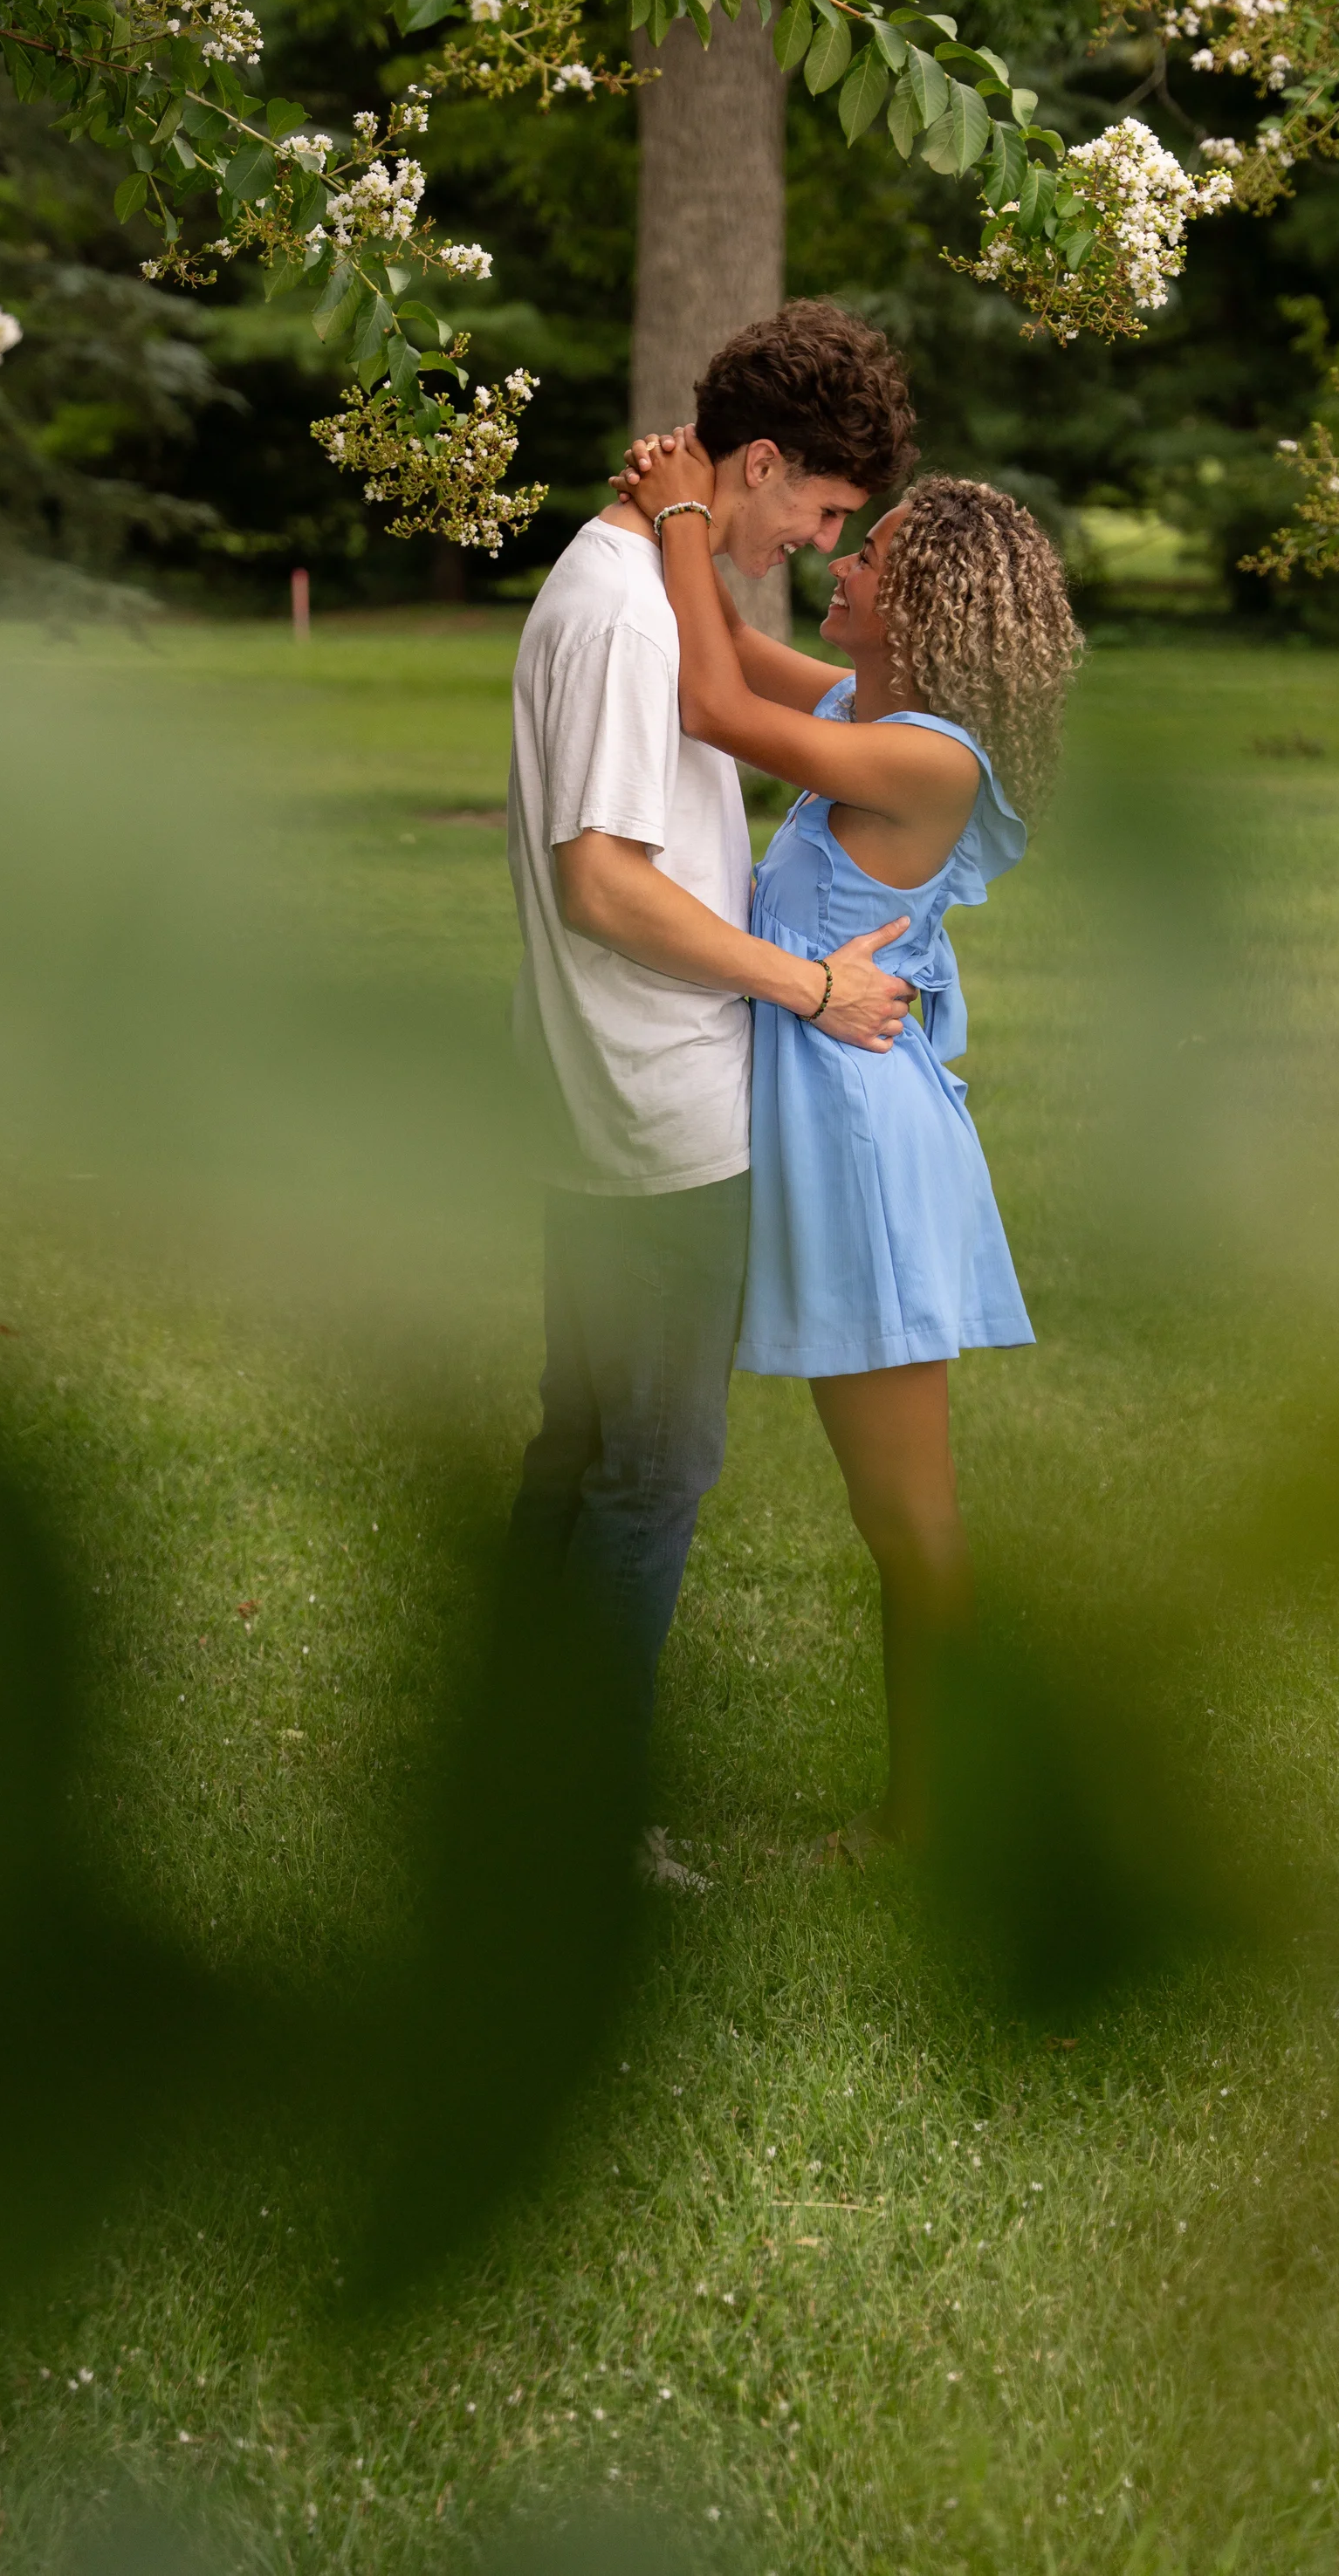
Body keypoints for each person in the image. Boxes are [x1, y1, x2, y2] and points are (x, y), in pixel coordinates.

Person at [504, 300, 920, 1887]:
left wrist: (683, 520)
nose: (818, 539)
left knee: (584, 1449)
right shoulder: (620, 617)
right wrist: (810, 984)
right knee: (651, 1471)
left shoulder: (617, 582)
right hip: (660, 1110)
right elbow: (608, 885)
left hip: (597, 1100)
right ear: (758, 462)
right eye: (817, 509)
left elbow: (761, 692)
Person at [620, 427, 1082, 1856]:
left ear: (923, 602)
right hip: (835, 1112)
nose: (839, 551)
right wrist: (661, 543)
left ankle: (937, 1822)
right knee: (894, 1514)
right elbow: (735, 662)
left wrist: (687, 508)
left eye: (868, 552)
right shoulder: (869, 714)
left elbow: (705, 694)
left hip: (870, 1155)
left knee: (907, 1519)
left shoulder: (920, 761)